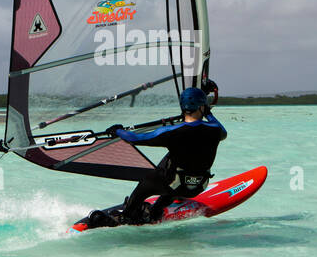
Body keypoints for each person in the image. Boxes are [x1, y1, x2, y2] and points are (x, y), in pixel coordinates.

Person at [85, 85, 226, 227]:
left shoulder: (170, 132)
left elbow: (135, 138)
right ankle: (157, 210)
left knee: (148, 181)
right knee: (172, 162)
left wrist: (118, 131)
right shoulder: (216, 131)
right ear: (202, 106)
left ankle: (127, 215)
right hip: (198, 187)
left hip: (174, 185)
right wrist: (208, 113)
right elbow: (221, 129)